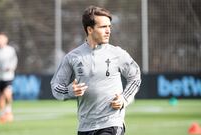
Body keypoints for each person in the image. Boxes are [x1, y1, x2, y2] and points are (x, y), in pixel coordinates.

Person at [50, 5, 141, 135]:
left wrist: (124, 99)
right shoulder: (72, 57)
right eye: (103, 27)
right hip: (85, 127)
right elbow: (55, 86)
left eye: (109, 26)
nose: (108, 31)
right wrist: (69, 91)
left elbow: (135, 77)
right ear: (90, 29)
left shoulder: (117, 53)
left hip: (112, 123)